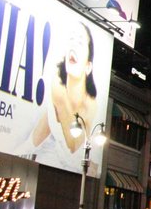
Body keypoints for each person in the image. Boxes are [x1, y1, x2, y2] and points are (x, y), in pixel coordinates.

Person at [20, 22, 101, 174]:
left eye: (80, 42)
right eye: (71, 39)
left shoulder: (93, 108)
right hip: (50, 166)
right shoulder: (57, 90)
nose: (73, 46)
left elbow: (76, 152)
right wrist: (15, 152)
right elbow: (40, 133)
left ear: (88, 66)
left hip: (74, 178)